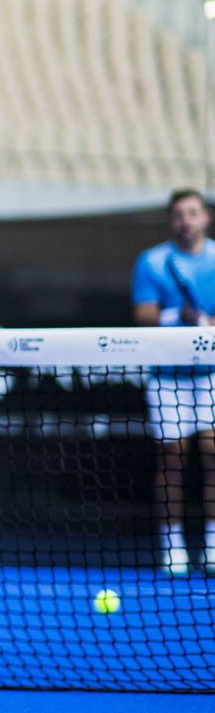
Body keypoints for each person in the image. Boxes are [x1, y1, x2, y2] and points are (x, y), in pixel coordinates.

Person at [132, 188, 215, 576]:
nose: (186, 220)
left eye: (192, 213)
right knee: (173, 459)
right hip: (168, 376)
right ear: (172, 221)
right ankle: (173, 548)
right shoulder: (152, 261)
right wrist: (175, 318)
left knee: (213, 455)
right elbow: (143, 315)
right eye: (179, 214)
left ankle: (212, 545)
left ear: (205, 218)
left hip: (211, 374)